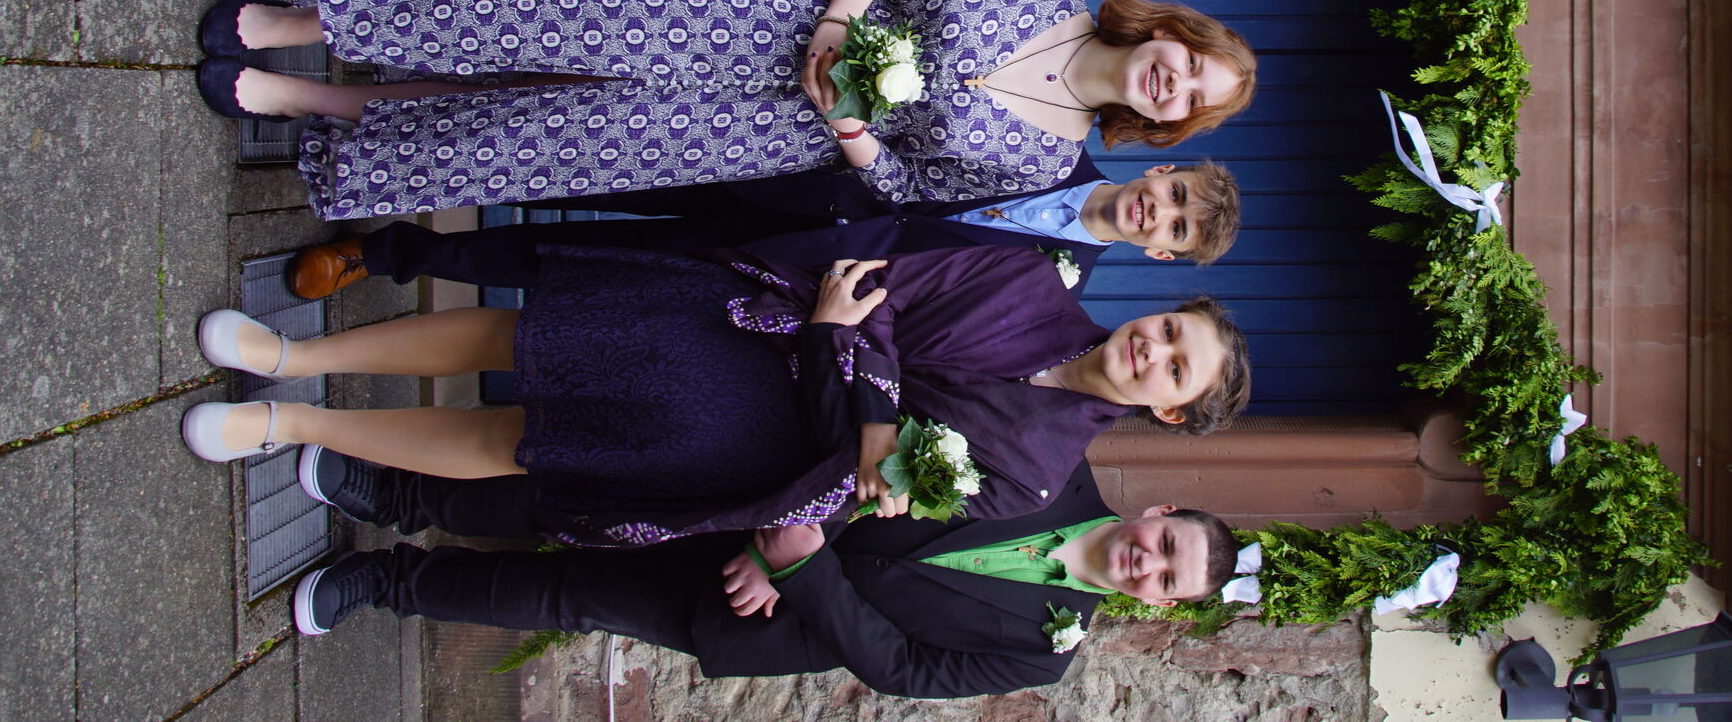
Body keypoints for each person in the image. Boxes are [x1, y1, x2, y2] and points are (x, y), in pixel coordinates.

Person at [179, 244, 1253, 545]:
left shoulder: (1031, 473)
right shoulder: (1023, 278)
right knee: (528, 329)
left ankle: (290, 428)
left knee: (522, 442)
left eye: (1172, 368)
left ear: (1165, 410)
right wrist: (858, 372)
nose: (1150, 349)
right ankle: (291, 359)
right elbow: (877, 287)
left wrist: (856, 376)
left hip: (743, 451)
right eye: (1168, 330)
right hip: (738, 329)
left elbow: (881, 484)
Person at [194, 0, 1256, 221]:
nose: (1175, 83)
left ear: (1171, 127)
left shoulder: (1052, 161)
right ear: (1171, 31)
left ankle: (318, 103)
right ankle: (304, 22)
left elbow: (909, 189)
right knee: (542, 3)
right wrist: (842, 21)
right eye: (1189, 64)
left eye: (1190, 104)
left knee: (539, 136)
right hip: (767, 15)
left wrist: (850, 134)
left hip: (773, 131)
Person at [286, 458, 1236, 699]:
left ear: (1156, 605)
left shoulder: (1044, 656)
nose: (1148, 566)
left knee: (571, 594)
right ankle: (394, 491)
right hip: (772, 496)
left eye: (1165, 584)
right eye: (1166, 547)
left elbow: (901, 668)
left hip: (772, 613)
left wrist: (803, 573)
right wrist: (803, 525)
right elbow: (911, 453)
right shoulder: (1047, 467)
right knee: (567, 503)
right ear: (1157, 513)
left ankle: (387, 586)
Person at [282, 158, 1243, 300]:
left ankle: (385, 252)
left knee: (576, 263)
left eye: (1175, 229)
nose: (1161, 211)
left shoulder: (1051, 296)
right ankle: (396, 164)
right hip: (783, 164)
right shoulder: (1051, 136)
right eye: (1175, 192)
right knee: (577, 167)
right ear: (1159, 171)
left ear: (1158, 252)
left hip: (787, 264)